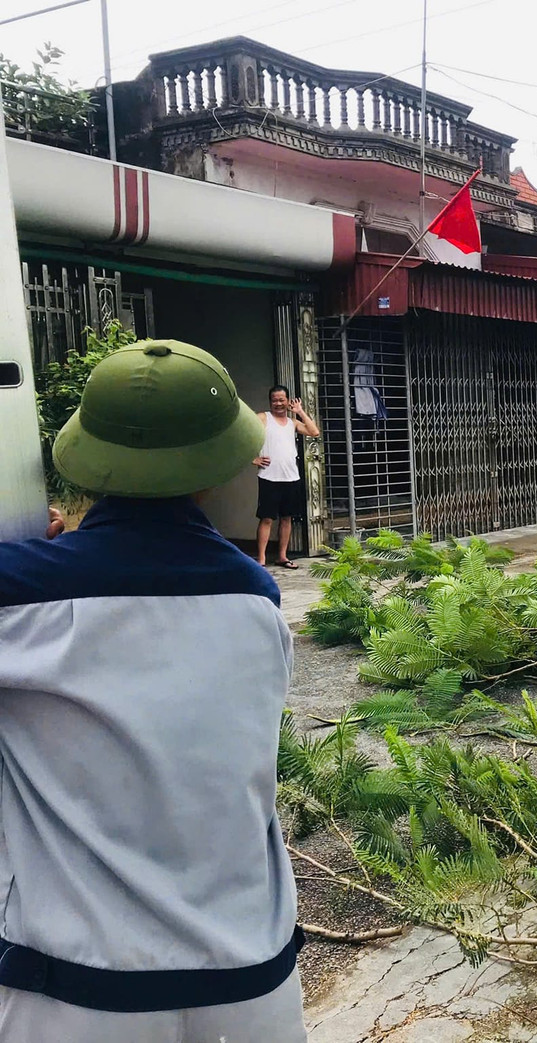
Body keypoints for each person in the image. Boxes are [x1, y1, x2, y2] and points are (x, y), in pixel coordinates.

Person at [0, 340, 306, 1039]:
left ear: (88, 458)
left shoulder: (19, 599)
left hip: (81, 992)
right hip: (253, 987)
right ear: (217, 462)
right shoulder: (259, 600)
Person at [254, 384, 319, 570]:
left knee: (286, 518)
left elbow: (314, 432)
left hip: (291, 477)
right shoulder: (263, 418)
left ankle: (282, 556)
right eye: (274, 400)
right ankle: (261, 559)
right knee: (266, 518)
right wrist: (253, 458)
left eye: (282, 399)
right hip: (269, 477)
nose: (278, 403)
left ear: (288, 401)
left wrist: (300, 411)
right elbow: (243, 435)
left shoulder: (293, 423)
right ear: (270, 401)